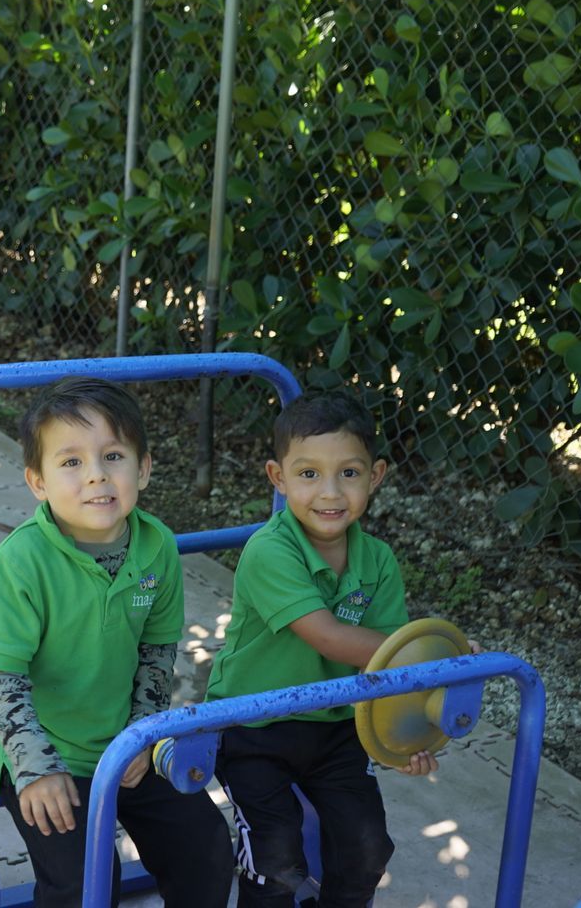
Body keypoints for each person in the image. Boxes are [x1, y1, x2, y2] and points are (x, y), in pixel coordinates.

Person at [0, 378, 233, 907]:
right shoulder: (22, 562)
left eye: (112, 455)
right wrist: (36, 770)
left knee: (206, 847)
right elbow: (1, 679)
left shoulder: (157, 545)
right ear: (37, 481)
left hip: (125, 741)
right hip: (46, 750)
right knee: (85, 883)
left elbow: (157, 654)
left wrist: (141, 733)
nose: (96, 474)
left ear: (142, 468)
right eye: (70, 462)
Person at [204, 389, 437, 908]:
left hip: (335, 729)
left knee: (366, 848)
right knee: (275, 858)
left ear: (375, 476)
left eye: (349, 473)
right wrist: (431, 659)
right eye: (308, 474)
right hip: (253, 727)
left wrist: (401, 738)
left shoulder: (376, 561)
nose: (330, 492)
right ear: (278, 478)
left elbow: (385, 666)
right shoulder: (271, 551)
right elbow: (332, 636)